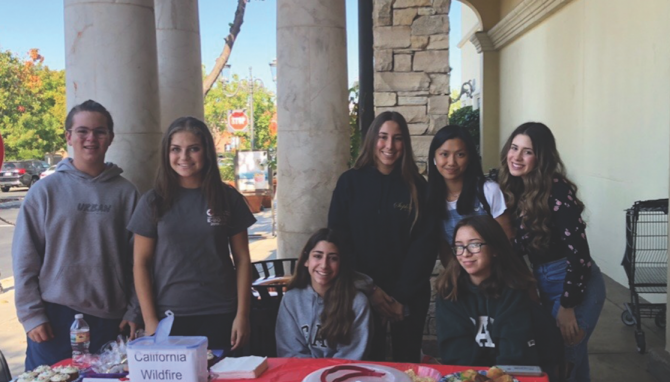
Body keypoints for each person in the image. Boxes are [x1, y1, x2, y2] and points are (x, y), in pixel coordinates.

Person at [498, 121, 606, 382]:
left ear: (541, 157)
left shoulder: (556, 190)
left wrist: (567, 306)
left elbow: (580, 255)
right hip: (547, 281)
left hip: (575, 285)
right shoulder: (515, 190)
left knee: (565, 369)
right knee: (577, 368)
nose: (518, 156)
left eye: (527, 151)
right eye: (514, 148)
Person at [14, 100, 140, 370]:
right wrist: (31, 314)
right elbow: (25, 258)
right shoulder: (44, 192)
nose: (91, 138)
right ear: (69, 137)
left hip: (112, 320)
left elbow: (139, 261)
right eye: (82, 131)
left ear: (110, 138)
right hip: (53, 320)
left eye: (100, 131)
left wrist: (134, 309)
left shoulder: (126, 193)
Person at [127, 116, 255, 350]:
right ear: (167, 153)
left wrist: (242, 314)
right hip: (169, 317)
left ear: (206, 152)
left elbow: (243, 260)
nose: (184, 157)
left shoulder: (227, 198)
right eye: (176, 149)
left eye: (193, 149)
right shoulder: (153, 201)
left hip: (222, 312)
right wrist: (150, 320)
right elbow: (141, 264)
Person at [328, 111, 438, 362]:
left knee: (407, 367)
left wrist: (399, 297)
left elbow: (425, 245)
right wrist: (371, 289)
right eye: (383, 137)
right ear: (372, 140)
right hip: (361, 295)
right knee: (366, 366)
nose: (390, 146)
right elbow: (339, 239)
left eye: (398, 138)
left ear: (405, 144)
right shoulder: (350, 183)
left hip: (408, 296)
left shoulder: (418, 187)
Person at [435, 216, 539, 367]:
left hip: (510, 380)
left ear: (495, 249)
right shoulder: (449, 292)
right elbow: (455, 355)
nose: (465, 254)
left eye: (474, 245)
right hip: (466, 380)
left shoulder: (514, 290)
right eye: (459, 246)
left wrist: (492, 381)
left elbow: (514, 353)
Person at [275, 228, 372, 359]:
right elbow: (290, 352)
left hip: (343, 375)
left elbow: (352, 356)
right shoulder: (292, 299)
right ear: (306, 260)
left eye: (333, 258)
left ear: (341, 263)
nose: (324, 265)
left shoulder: (357, 302)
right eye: (317, 256)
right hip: (301, 374)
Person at [426, 124, 511, 267]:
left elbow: (506, 240)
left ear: (469, 157)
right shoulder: (431, 198)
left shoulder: (488, 191)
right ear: (434, 158)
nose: (451, 162)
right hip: (461, 281)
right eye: (444, 154)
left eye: (460, 154)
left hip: (495, 278)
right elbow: (445, 249)